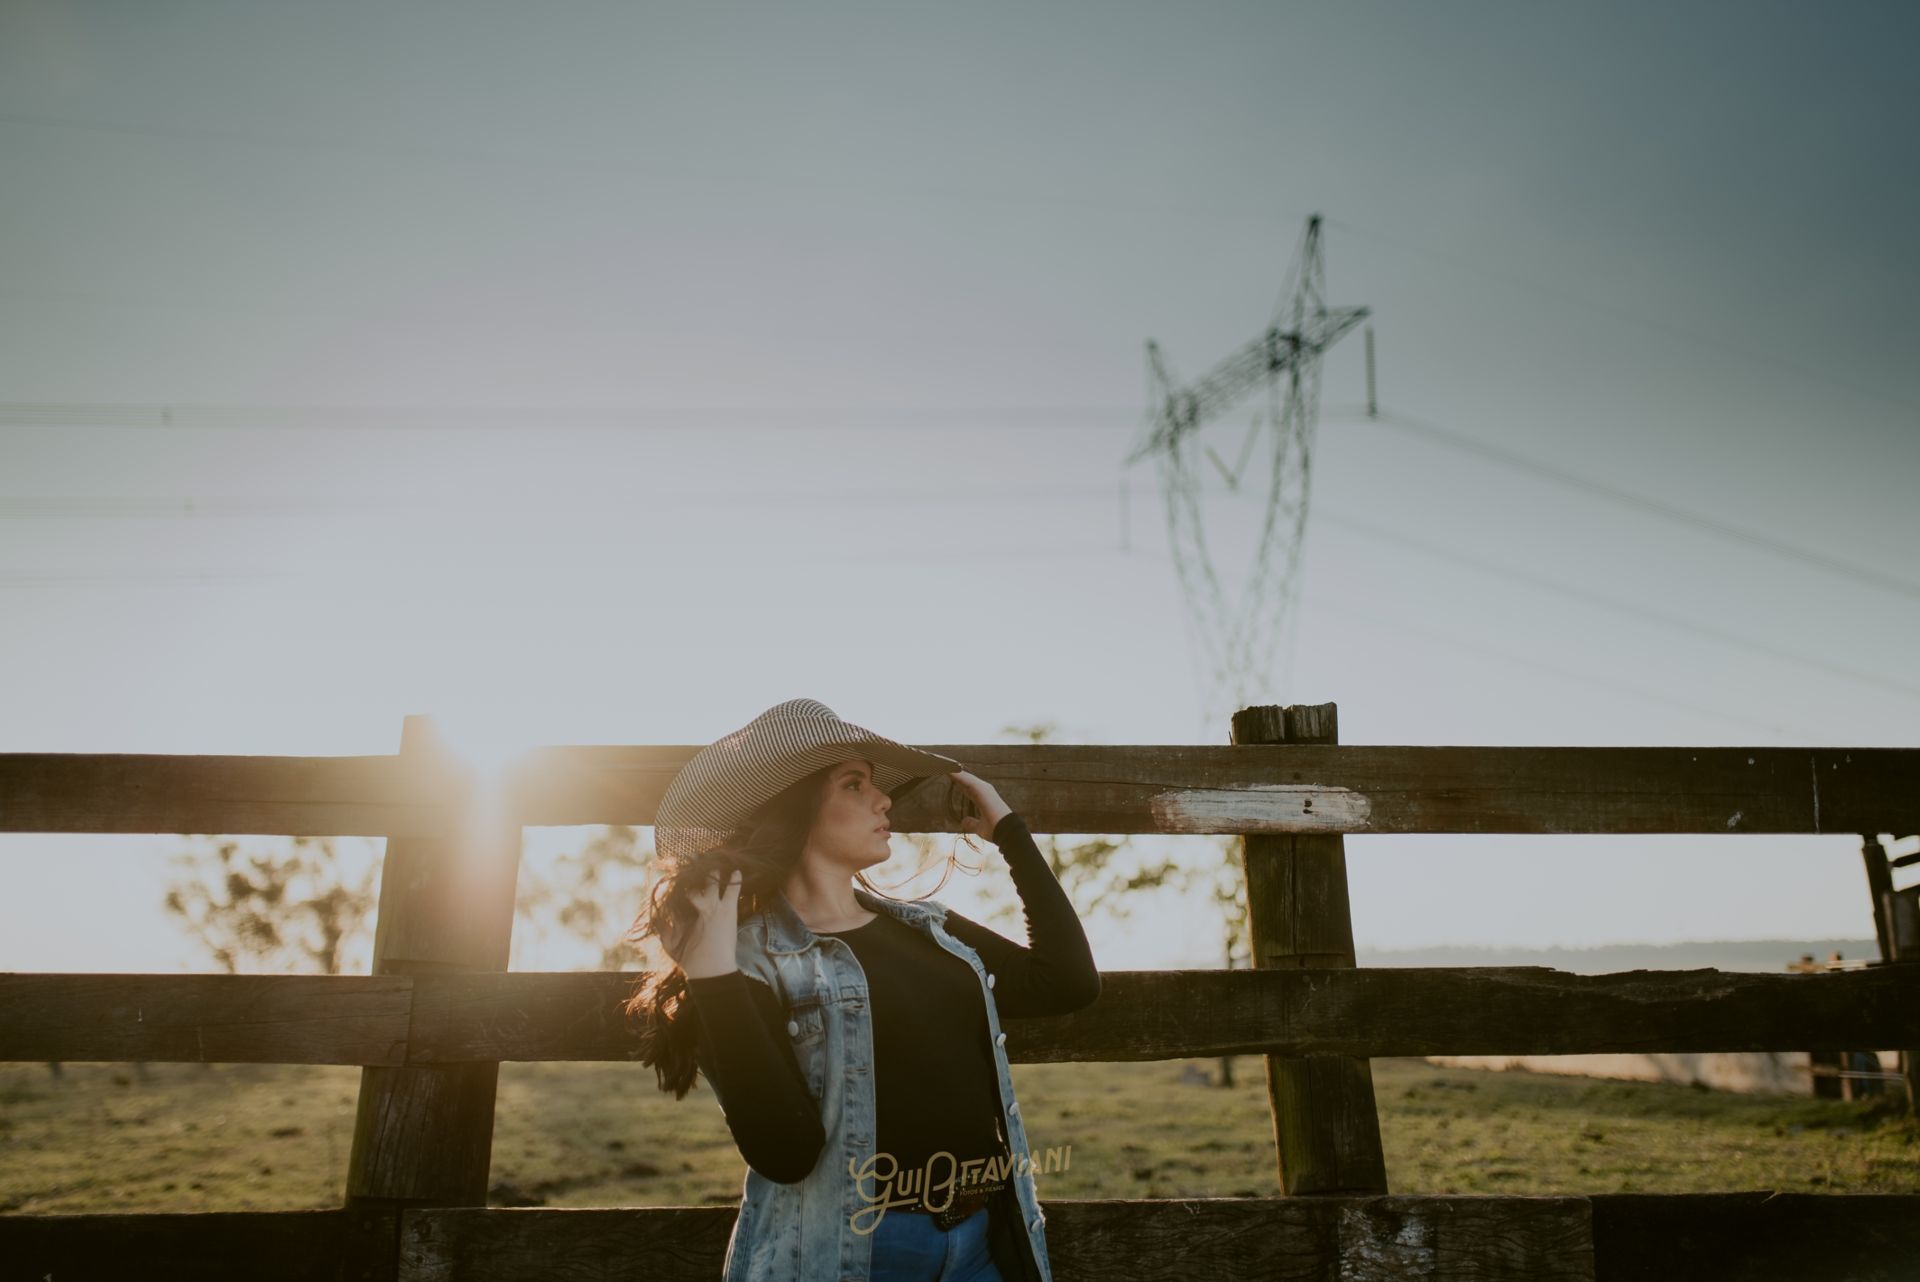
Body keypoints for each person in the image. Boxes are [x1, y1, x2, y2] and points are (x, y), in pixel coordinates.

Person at [623, 698, 1100, 1282]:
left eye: (875, 785)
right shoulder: (739, 961)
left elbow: (1067, 982)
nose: (884, 801)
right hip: (852, 1255)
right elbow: (785, 1153)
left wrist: (1009, 831)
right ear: (794, 810)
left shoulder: (932, 928)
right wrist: (713, 978)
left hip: (985, 1242)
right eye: (854, 785)